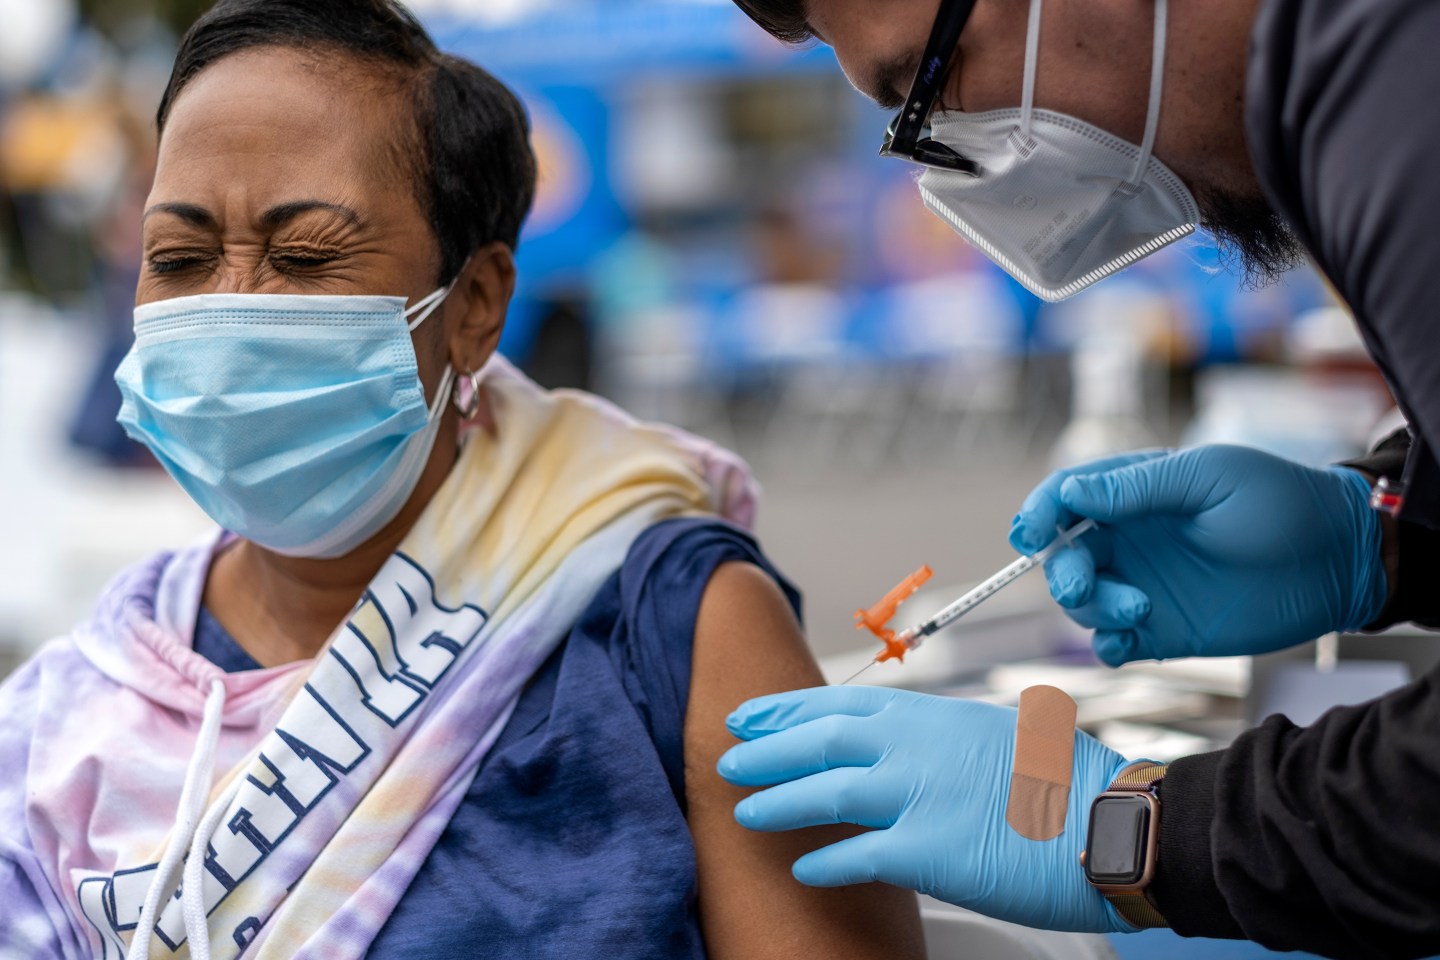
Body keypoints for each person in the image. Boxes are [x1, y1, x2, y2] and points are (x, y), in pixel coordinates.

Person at [0, 2, 928, 957]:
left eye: (307, 255)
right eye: (181, 259)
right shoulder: (64, 725)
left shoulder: (675, 626)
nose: (233, 309)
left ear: (474, 306)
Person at [716, 0, 1440, 957]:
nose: (953, 155)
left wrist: (1135, 830)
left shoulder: (1388, 93)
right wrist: (1391, 532)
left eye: (925, 87)